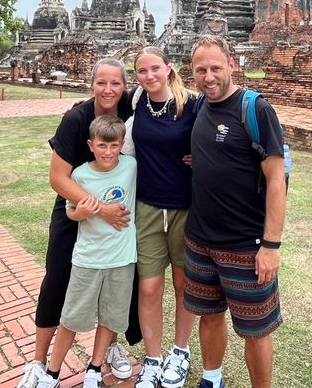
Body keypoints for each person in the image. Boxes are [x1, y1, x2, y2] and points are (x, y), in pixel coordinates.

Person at [18, 58, 140, 388]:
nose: (108, 90)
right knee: (57, 279)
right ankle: (39, 362)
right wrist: (100, 209)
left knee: (116, 284)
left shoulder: (129, 108)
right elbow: (58, 178)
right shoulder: (76, 119)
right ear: (91, 84)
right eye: (101, 83)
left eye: (115, 83)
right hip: (75, 205)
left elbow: (167, 93)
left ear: (125, 87)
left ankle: (107, 349)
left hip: (116, 211)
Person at [184, 36, 287, 388]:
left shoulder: (255, 109)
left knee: (255, 330)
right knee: (209, 314)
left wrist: (271, 245)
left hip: (245, 244)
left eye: (216, 68)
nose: (208, 77)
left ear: (231, 64)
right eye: (201, 70)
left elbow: (276, 180)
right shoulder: (200, 105)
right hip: (200, 239)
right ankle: (212, 378)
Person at [35, 115, 138, 388]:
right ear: (91, 145)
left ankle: (95, 368)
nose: (108, 152)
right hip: (88, 259)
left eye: (114, 145)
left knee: (110, 317)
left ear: (122, 145)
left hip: (122, 259)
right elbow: (70, 212)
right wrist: (79, 213)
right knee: (71, 317)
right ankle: (52, 372)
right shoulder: (80, 175)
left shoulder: (131, 166)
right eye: (102, 145)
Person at [130, 47, 197, 388]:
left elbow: (217, 135)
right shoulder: (135, 101)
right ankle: (153, 359)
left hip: (185, 207)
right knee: (149, 287)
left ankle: (180, 351)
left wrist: (202, 156)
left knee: (184, 285)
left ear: (169, 68)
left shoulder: (191, 104)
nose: (149, 76)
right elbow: (102, 108)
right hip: (148, 207)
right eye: (142, 71)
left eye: (155, 68)